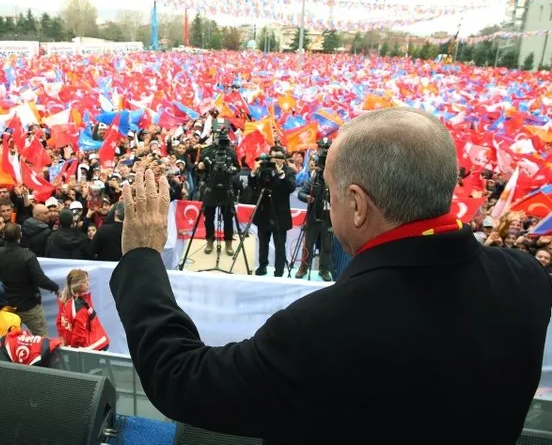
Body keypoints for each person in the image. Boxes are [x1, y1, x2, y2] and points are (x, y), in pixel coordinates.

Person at [109, 108, 552, 444]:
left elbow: (182, 378)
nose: (327, 205)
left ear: (358, 204)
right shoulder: (526, 280)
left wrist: (144, 255)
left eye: (331, 193)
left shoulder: (322, 328)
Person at [0, 223, 59, 336]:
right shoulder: (28, 256)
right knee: (41, 338)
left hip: (5, 305)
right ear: (20, 236)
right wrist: (55, 287)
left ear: (3, 236)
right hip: (28, 306)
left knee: (5, 339)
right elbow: (40, 279)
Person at [248, 145, 296, 277]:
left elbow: (291, 187)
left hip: (280, 215)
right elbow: (253, 186)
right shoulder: (264, 168)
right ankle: (262, 266)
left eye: (279, 157)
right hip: (264, 212)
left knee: (280, 246)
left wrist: (280, 173)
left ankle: (279, 271)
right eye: (273, 157)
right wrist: (253, 173)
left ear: (283, 158)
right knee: (263, 244)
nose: (276, 160)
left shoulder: (288, 171)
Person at [196, 129, 240, 255]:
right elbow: (199, 170)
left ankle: (228, 243)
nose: (221, 142)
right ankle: (210, 241)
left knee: (228, 218)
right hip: (211, 187)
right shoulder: (207, 151)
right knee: (208, 217)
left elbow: (237, 168)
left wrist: (230, 169)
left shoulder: (231, 152)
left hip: (226, 188)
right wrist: (200, 167)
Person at [296, 147, 333, 280]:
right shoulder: (314, 178)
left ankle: (324, 270)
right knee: (308, 244)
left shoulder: (333, 180)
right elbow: (300, 193)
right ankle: (304, 268)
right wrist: (308, 198)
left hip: (328, 217)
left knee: (327, 246)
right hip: (313, 216)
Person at [56, 269, 109, 351]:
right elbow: (78, 335)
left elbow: (59, 322)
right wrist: (72, 350)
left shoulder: (63, 300)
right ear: (77, 285)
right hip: (91, 345)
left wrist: (63, 339)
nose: (88, 284)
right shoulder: (81, 308)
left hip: (81, 343)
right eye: (85, 282)